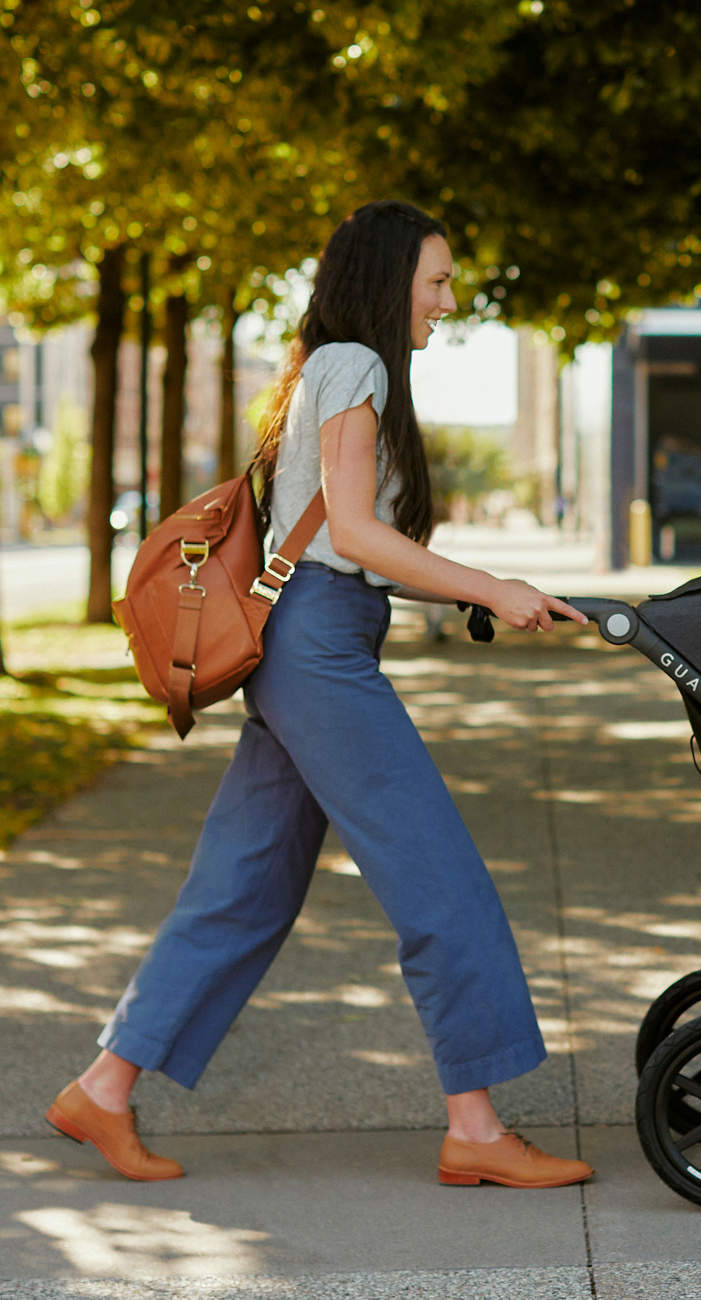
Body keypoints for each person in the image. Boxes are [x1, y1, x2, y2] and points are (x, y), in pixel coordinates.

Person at [46, 201, 594, 1191]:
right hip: (317, 647)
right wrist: (493, 587)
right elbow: (356, 529)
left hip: (306, 639)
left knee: (243, 884)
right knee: (437, 874)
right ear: (389, 281)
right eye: (435, 281)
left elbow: (341, 526)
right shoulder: (359, 364)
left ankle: (104, 1088)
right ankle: (473, 1125)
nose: (450, 300)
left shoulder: (335, 364)